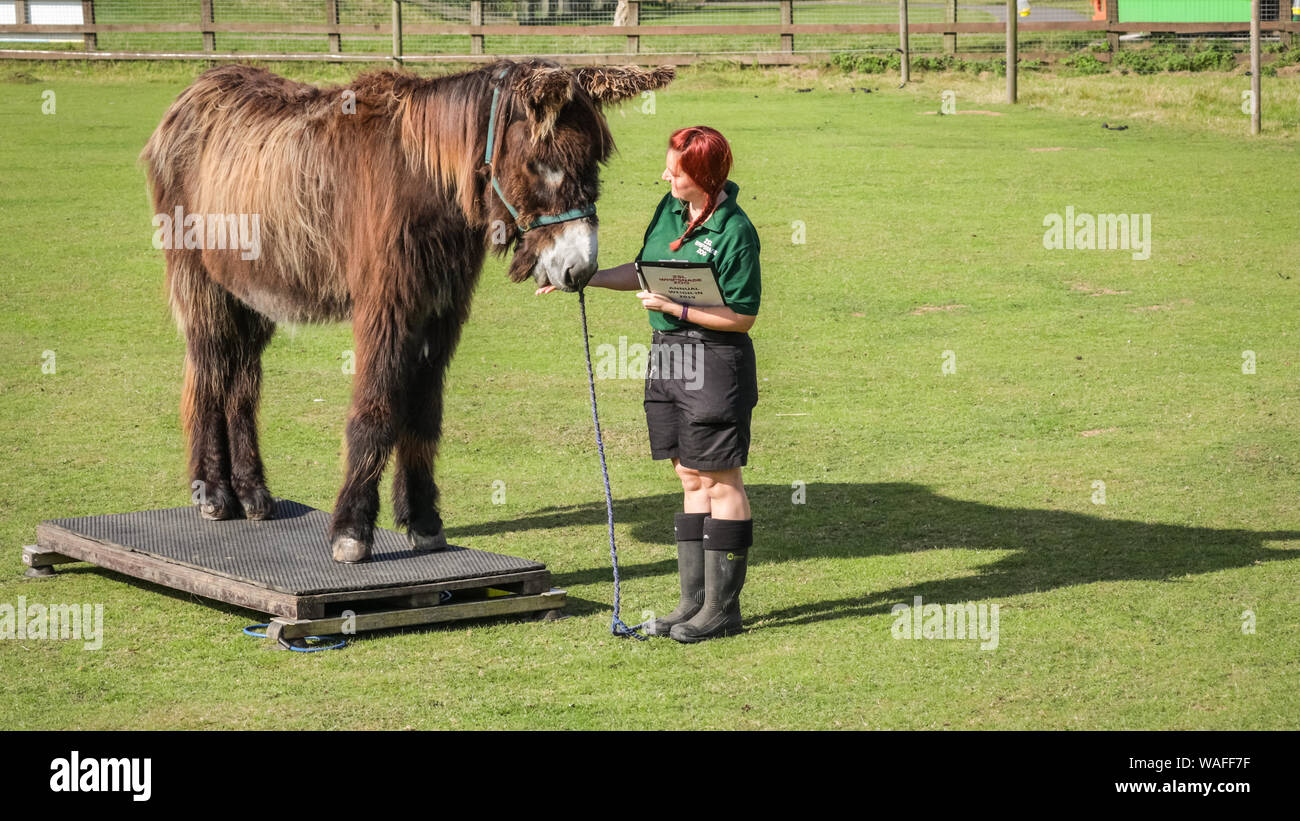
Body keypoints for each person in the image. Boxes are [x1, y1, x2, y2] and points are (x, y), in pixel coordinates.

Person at [537, 126, 761, 642]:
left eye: (675, 172)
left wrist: (677, 308)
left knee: (720, 479)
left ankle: (722, 610)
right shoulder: (668, 210)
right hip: (669, 356)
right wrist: (580, 278)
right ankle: (692, 604)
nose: (665, 176)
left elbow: (743, 317)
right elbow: (643, 272)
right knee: (687, 474)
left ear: (703, 178)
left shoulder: (736, 232)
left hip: (714, 361)